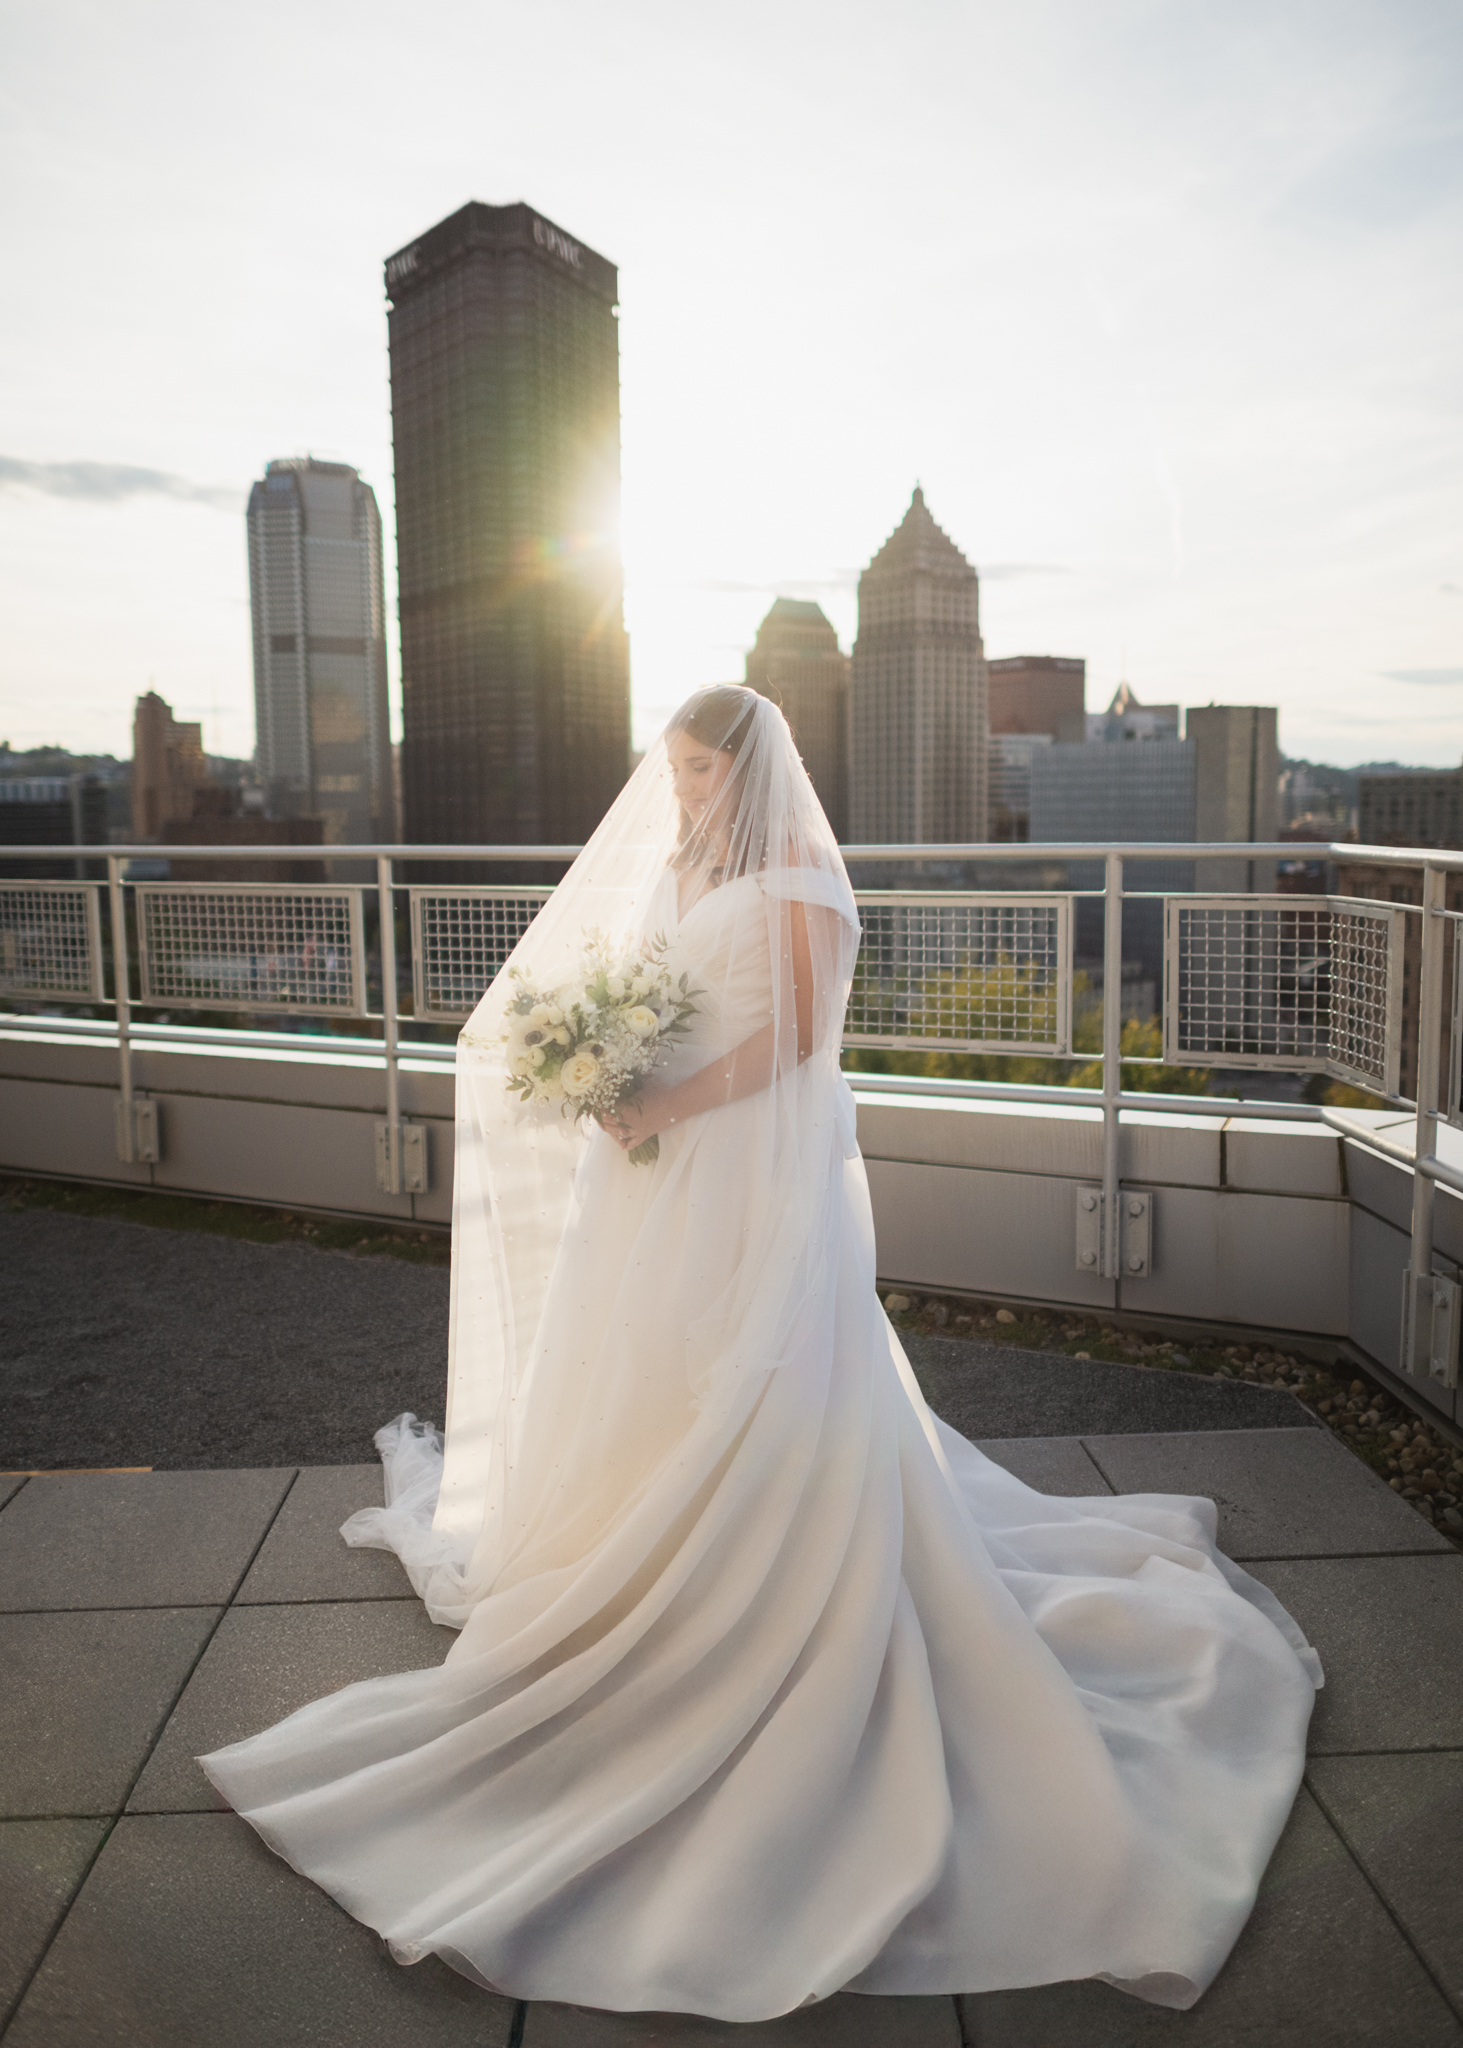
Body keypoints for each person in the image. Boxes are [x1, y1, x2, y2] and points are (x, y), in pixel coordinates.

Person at [202, 686, 1320, 2022]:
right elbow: (652, 985)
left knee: (754, 1377)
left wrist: (657, 1092)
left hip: (748, 1176)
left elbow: (791, 1037)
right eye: (668, 774)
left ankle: (744, 1585)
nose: (678, 796)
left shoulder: (800, 882)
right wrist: (599, 1065)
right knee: (651, 1372)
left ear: (748, 771)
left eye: (694, 774)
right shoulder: (690, 862)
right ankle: (642, 1555)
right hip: (666, 1175)